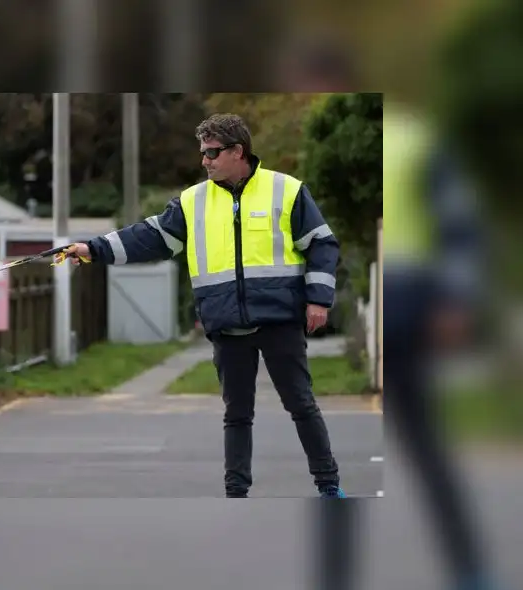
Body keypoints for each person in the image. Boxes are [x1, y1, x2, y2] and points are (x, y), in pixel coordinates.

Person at [64, 113, 345, 498]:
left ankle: (329, 486)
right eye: (203, 152)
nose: (204, 160)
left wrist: (318, 299)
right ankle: (236, 495)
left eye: (212, 152)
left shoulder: (287, 190)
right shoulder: (192, 201)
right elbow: (148, 237)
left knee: (301, 405)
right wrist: (92, 249)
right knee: (237, 416)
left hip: (280, 320)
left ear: (237, 151)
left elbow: (322, 244)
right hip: (226, 324)